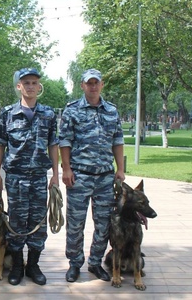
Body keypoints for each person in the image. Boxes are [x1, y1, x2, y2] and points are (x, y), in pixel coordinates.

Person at [58, 68, 125, 283]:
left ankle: (95, 263)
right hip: (79, 176)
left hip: (105, 178)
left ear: (102, 85)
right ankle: (75, 264)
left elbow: (118, 141)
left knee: (104, 224)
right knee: (75, 223)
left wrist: (120, 169)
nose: (93, 86)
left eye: (96, 82)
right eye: (89, 83)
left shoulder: (112, 111)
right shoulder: (72, 110)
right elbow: (65, 141)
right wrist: (66, 169)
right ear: (82, 86)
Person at [0, 67, 59, 286]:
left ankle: (33, 265)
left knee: (38, 222)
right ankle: (18, 266)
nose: (31, 86)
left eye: (34, 83)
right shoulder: (7, 113)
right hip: (15, 177)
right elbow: (0, 143)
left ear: (39, 86)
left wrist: (55, 176)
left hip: (39, 177)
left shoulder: (48, 114)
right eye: (26, 83)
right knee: (17, 222)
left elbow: (53, 144)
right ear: (18, 86)